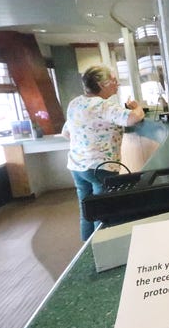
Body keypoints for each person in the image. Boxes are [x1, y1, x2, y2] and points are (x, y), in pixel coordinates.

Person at [61, 65, 145, 241]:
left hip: (77, 166)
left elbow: (66, 133)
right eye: (114, 81)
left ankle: (87, 250)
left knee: (87, 210)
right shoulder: (103, 105)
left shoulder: (75, 103)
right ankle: (102, 248)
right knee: (103, 211)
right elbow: (133, 118)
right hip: (100, 167)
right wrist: (137, 107)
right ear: (103, 83)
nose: (117, 84)